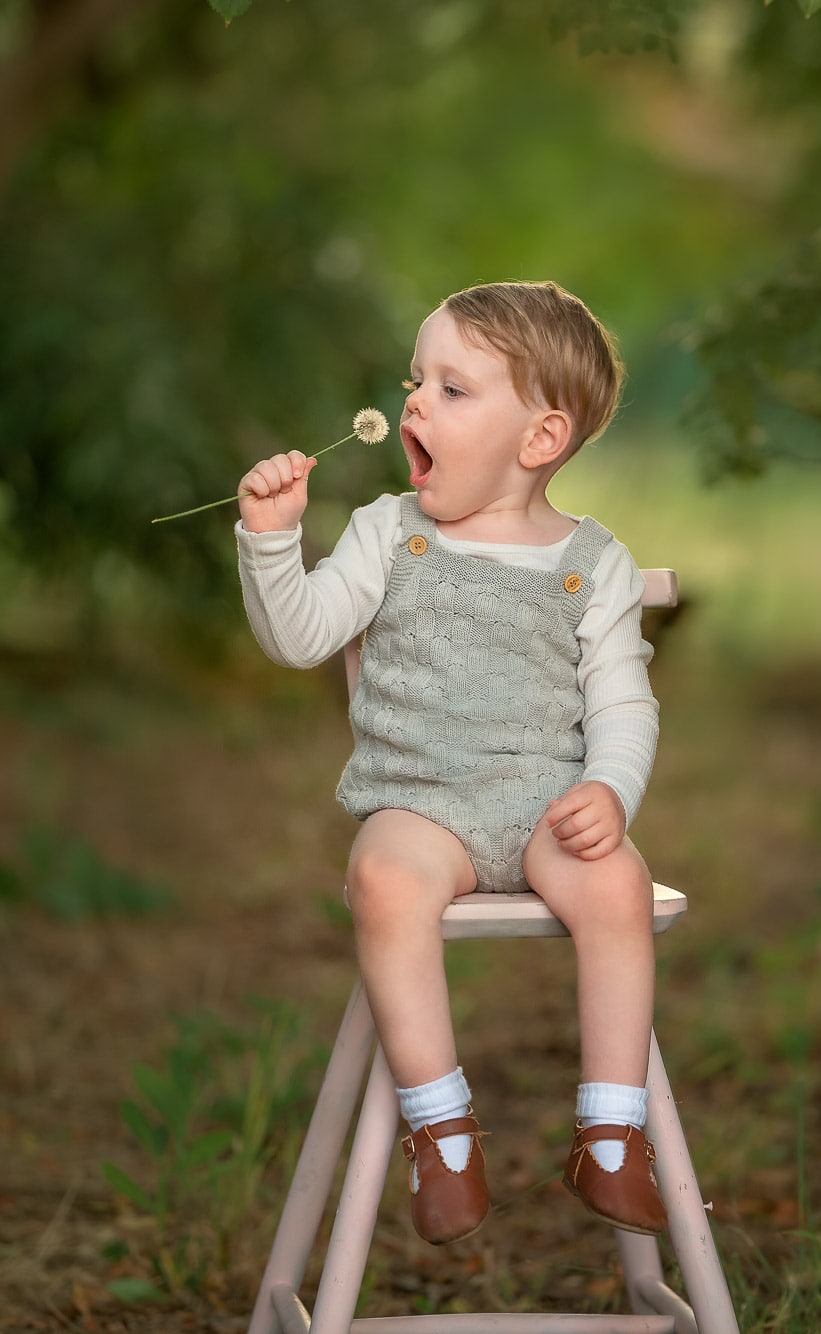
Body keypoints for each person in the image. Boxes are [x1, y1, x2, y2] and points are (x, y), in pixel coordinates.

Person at [235, 279, 666, 1245]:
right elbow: (302, 638)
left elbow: (622, 701)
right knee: (383, 876)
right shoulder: (391, 531)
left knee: (616, 887)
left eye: (452, 388)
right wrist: (271, 545)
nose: (413, 404)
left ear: (539, 439)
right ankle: (441, 1130)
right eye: (413, 381)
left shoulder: (590, 562)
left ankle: (609, 1130)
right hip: (421, 806)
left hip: (546, 803)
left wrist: (609, 788)